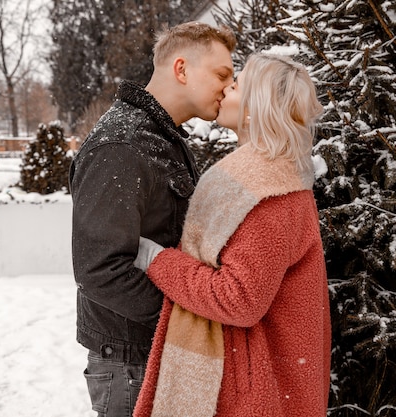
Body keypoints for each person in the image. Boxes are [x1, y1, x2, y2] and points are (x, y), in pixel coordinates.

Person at [133, 53, 332, 417]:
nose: (226, 88)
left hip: (251, 390)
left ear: (258, 106)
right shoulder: (269, 176)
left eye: (237, 85)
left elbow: (238, 299)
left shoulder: (269, 192)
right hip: (253, 378)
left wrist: (156, 259)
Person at [69, 22, 236, 417]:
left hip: (151, 355)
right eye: (221, 74)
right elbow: (99, 269)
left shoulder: (161, 137)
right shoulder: (122, 146)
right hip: (133, 364)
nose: (228, 87)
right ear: (181, 69)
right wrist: (187, 315)